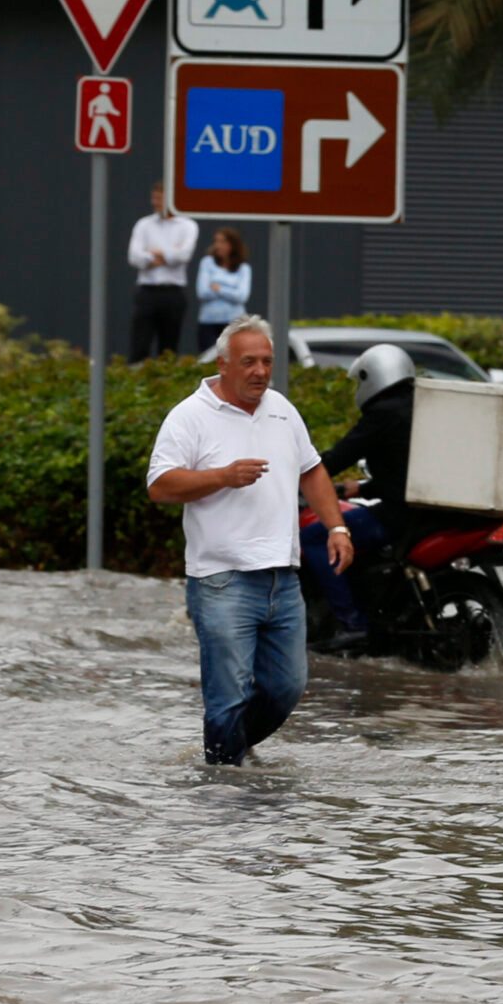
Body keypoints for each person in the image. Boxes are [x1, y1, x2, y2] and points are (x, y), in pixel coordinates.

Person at [145, 315, 353, 765]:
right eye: (249, 362)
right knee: (229, 693)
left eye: (267, 362)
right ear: (223, 364)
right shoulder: (190, 416)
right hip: (221, 579)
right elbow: (159, 486)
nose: (260, 371)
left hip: (283, 576)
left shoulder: (282, 409)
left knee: (287, 686)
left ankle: (231, 756)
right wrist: (221, 476)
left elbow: (312, 470)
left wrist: (336, 527)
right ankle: (222, 787)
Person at [300, 343, 418, 651]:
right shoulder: (420, 406)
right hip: (426, 510)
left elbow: (335, 460)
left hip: (398, 517)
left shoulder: (383, 414)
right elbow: (408, 473)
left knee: (313, 538)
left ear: (373, 376)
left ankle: (351, 625)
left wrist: (299, 473)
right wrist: (362, 488)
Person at [127, 182, 199, 359]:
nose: (155, 202)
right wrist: (163, 256)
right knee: (139, 344)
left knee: (168, 346)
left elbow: (184, 255)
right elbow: (134, 257)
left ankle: (164, 382)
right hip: (147, 291)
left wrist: (155, 254)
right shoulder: (144, 224)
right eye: (154, 197)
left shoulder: (187, 225)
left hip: (173, 292)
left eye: (159, 198)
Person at [194, 227, 253, 354]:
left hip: (234, 323)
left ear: (232, 245)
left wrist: (219, 288)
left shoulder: (243, 268)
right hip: (209, 322)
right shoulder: (207, 263)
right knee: (208, 359)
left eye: (222, 242)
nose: (218, 245)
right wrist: (231, 290)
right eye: (216, 241)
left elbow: (241, 296)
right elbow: (202, 292)